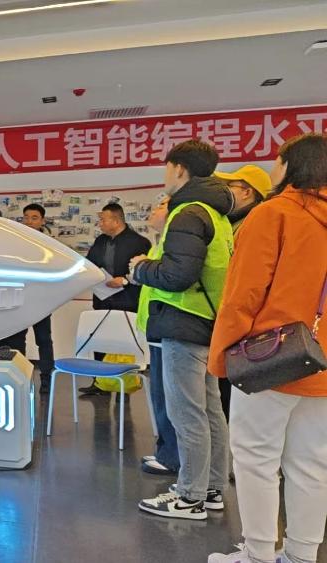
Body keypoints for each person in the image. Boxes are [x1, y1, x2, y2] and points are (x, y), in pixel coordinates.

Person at [207, 134, 327, 563]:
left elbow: (242, 295)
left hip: (271, 360)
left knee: (257, 459)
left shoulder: (273, 213)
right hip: (323, 365)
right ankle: (301, 556)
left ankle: (257, 553)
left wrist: (222, 358)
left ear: (291, 166)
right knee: (312, 464)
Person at [131, 139, 234, 520]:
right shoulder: (216, 214)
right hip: (205, 323)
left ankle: (189, 497)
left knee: (187, 414)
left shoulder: (188, 212)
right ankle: (212, 489)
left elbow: (177, 275)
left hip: (183, 324)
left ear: (178, 168)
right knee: (210, 412)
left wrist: (141, 268)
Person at [212, 164, 273, 420]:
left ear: (247, 192)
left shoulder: (252, 224)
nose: (224, 192)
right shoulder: (233, 223)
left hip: (244, 329)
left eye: (230, 187)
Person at [79, 202, 152, 396]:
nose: (100, 223)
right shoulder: (100, 241)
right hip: (102, 299)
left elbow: (144, 272)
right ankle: (99, 382)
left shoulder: (139, 242)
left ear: (116, 220)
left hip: (127, 301)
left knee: (123, 343)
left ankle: (123, 385)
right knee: (99, 340)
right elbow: (91, 263)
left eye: (103, 220)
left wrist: (124, 280)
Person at [135, 196, 181, 476]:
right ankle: (166, 452)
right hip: (156, 328)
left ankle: (172, 458)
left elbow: (168, 278)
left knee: (168, 397)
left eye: (161, 205)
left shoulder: (174, 244)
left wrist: (143, 266)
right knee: (160, 395)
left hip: (167, 327)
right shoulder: (160, 243)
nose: (154, 210)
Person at [0, 203, 55, 393]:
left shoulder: (51, 245)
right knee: (16, 339)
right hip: (20, 299)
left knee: (43, 340)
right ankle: (19, 377)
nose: (29, 221)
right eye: (26, 217)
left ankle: (47, 378)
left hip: (42, 300)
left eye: (34, 218)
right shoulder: (16, 243)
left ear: (42, 221)